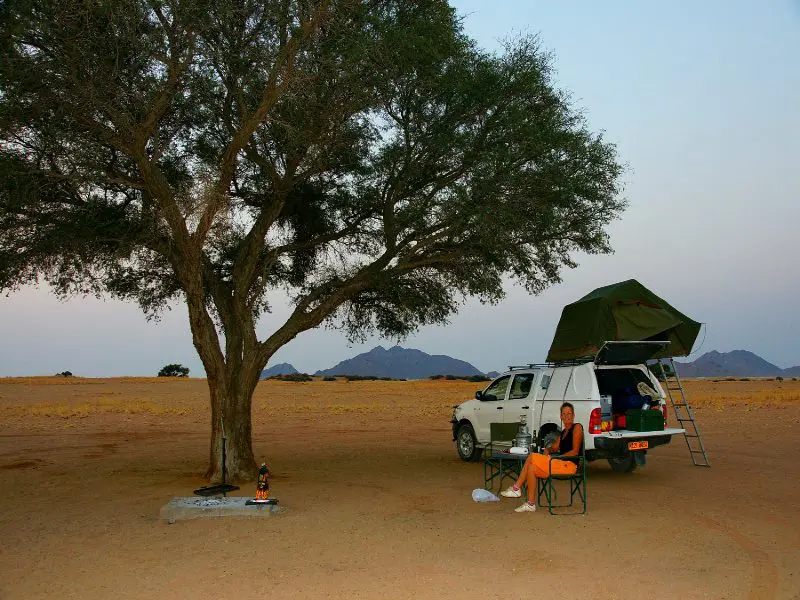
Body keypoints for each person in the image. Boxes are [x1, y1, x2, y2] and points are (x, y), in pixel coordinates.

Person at [500, 402, 584, 513]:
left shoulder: (577, 427)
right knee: (532, 468)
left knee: (532, 456)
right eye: (564, 413)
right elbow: (553, 447)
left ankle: (516, 488)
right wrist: (548, 450)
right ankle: (530, 504)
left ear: (573, 415)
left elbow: (575, 452)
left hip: (570, 466)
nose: (567, 416)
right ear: (561, 416)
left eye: (569, 413)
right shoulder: (563, 433)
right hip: (559, 464)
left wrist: (557, 457)